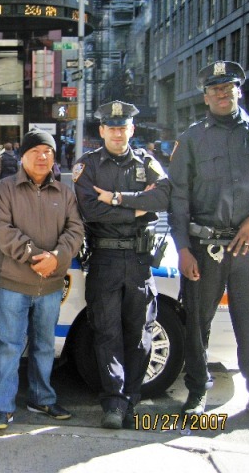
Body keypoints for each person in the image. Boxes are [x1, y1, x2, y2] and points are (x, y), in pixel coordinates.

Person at [168, 61, 249, 430]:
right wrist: (181, 248)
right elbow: (178, 197)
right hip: (205, 247)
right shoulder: (192, 137)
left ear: (239, 90)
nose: (221, 95)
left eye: (228, 88)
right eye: (214, 90)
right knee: (196, 322)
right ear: (205, 96)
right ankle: (197, 392)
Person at [73, 100, 170, 429]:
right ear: (101, 131)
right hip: (105, 259)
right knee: (106, 332)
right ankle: (113, 403)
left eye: (123, 127)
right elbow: (89, 210)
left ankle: (131, 397)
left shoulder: (147, 163)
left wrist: (116, 199)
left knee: (140, 333)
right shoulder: (89, 166)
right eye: (111, 127)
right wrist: (139, 207)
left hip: (141, 262)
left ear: (132, 129)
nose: (117, 133)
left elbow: (163, 197)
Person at [0, 129, 84, 430]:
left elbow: (75, 231)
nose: (42, 157)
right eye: (36, 151)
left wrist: (57, 257)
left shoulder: (65, 193)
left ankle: (42, 397)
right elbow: (2, 231)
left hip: (51, 285)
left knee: (44, 345)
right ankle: (2, 406)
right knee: (8, 345)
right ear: (23, 156)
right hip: (14, 283)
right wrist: (35, 257)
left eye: (48, 152)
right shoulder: (4, 189)